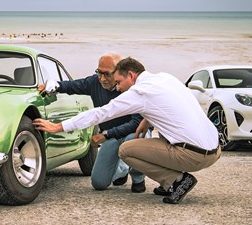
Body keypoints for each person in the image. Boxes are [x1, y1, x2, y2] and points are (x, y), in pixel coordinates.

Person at [34, 57, 220, 204]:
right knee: (155, 135)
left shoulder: (137, 92)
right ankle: (168, 184)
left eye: (119, 82)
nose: (117, 87)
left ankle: (177, 181)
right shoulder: (165, 78)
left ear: (131, 75)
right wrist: (146, 120)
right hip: (214, 149)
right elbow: (172, 103)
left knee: (126, 150)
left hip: (193, 156)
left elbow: (101, 113)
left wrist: (59, 126)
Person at [40, 53, 147, 193]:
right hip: (112, 138)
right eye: (99, 72)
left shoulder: (134, 89)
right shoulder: (95, 82)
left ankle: (138, 178)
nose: (102, 79)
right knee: (98, 183)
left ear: (119, 72)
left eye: (107, 74)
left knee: (135, 138)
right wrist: (56, 85)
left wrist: (106, 134)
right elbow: (73, 86)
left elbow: (136, 123)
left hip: (131, 134)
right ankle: (122, 170)